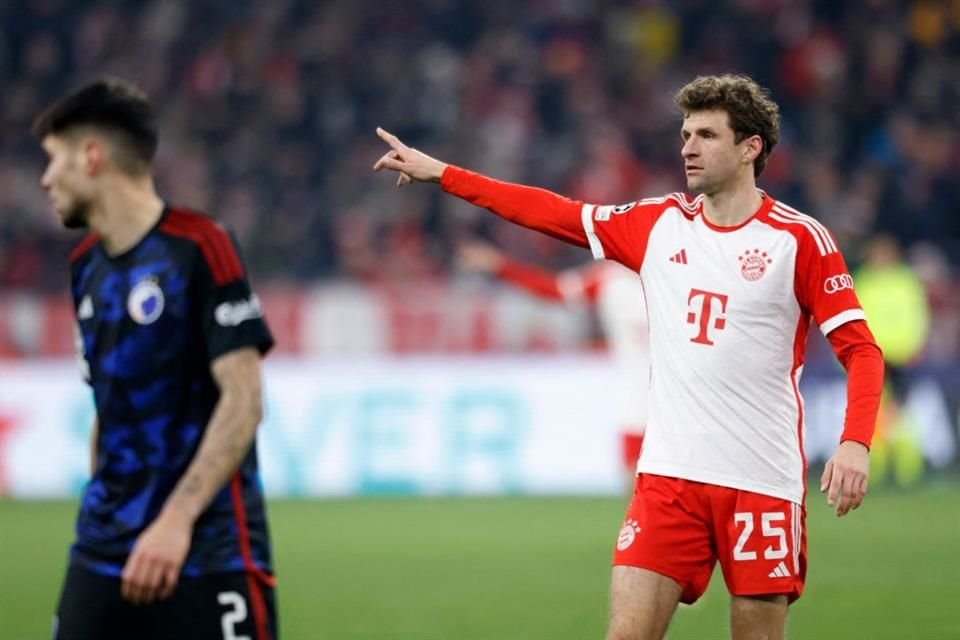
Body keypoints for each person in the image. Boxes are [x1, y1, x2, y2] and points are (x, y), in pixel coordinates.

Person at [374, 74, 884, 640]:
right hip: (668, 478)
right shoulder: (657, 225)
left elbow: (861, 350)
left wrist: (855, 442)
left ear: (750, 148)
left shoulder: (799, 240)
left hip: (760, 481)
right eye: (686, 133)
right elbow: (553, 213)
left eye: (707, 135)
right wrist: (444, 174)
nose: (687, 147)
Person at [34, 77, 278, 640]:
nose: (45, 179)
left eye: (54, 160)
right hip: (104, 549)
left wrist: (174, 521)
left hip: (208, 550)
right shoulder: (85, 267)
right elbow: (107, 407)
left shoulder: (199, 246)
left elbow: (243, 399)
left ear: (92, 156)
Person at [457, 240, 649, 487]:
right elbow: (554, 290)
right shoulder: (608, 278)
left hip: (683, 398)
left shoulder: (680, 274)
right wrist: (500, 265)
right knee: (635, 484)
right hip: (636, 398)